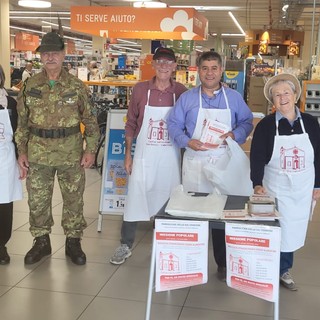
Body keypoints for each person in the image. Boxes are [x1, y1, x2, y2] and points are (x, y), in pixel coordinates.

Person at [167, 51, 253, 281]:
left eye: (214, 68)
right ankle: (190, 261)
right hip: (196, 161)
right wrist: (187, 141)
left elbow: (246, 121)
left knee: (222, 214)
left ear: (221, 70)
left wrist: (235, 133)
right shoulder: (187, 98)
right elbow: (173, 124)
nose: (210, 73)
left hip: (224, 161)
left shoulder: (233, 98)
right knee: (193, 211)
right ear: (198, 70)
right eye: (205, 68)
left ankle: (223, 264)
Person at [15, 32, 100, 266]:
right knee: (38, 200)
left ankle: (73, 241)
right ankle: (41, 241)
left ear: (63, 55)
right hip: (38, 153)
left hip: (70, 152)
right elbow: (22, 122)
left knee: (73, 198)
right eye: (46, 53)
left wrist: (90, 149)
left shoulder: (76, 86)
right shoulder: (30, 85)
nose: (50, 57)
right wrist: (21, 150)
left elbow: (91, 121)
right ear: (41, 57)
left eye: (55, 52)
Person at [109, 47, 188, 265]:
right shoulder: (141, 89)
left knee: (170, 199)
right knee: (135, 197)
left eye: (168, 62)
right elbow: (131, 123)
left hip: (170, 158)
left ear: (174, 66)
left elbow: (186, 126)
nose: (163, 66)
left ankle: (168, 245)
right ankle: (125, 244)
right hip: (144, 156)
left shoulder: (181, 91)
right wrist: (128, 155)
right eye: (159, 62)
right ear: (153, 65)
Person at [250, 73, 320, 291]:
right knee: (274, 227)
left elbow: (318, 154)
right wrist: (257, 182)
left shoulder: (309, 122)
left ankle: (283, 269)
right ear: (272, 100)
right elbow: (257, 156)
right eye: (277, 95)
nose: (282, 98)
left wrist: (318, 184)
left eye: (286, 93)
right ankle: (266, 268)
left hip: (302, 188)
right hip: (276, 186)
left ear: (295, 95)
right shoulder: (266, 125)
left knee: (292, 229)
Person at [0, 64, 24, 265]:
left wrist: (21, 158)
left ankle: (1, 246)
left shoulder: (9, 103)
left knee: (4, 204)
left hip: (4, 159)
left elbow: (18, 133)